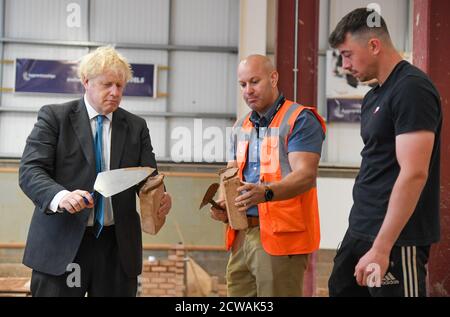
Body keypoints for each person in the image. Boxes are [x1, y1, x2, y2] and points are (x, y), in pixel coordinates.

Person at [19, 46, 172, 297]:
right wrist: (61, 197)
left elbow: (149, 178)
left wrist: (161, 196)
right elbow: (30, 171)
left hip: (117, 247)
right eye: (107, 84)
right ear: (86, 82)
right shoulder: (54, 118)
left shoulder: (136, 126)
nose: (115, 92)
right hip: (63, 245)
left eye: (120, 86)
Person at [327, 8, 442, 297]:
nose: (344, 65)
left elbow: (414, 173)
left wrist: (381, 247)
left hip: (396, 241)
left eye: (347, 54)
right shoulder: (374, 96)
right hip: (361, 229)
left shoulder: (412, 89)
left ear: (374, 45)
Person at [210, 54, 326, 297]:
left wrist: (265, 193)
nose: (248, 90)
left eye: (255, 81)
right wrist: (224, 203)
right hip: (241, 235)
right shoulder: (241, 126)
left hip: (281, 239)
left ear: (273, 78)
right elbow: (231, 174)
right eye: (243, 85)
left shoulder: (300, 119)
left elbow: (305, 175)